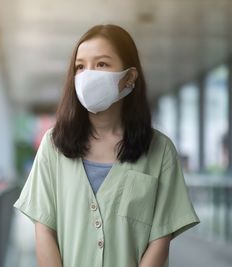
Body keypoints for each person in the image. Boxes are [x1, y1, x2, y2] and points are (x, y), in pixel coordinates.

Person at [13, 24, 200, 267]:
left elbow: (160, 240)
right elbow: (44, 231)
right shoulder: (53, 146)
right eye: (80, 67)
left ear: (129, 77)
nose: (88, 75)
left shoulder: (160, 151)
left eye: (101, 64)